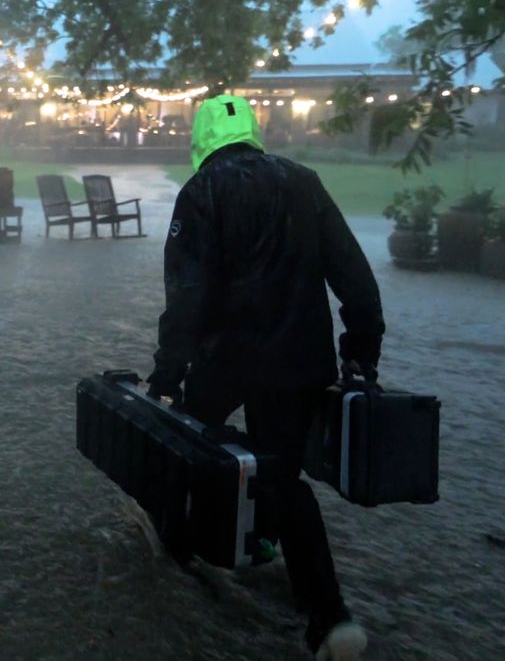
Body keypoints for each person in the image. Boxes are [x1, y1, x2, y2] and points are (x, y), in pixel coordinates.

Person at [145, 95, 385, 661]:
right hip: (298, 362)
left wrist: (167, 374)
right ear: (255, 131)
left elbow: (186, 298)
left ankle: (182, 546)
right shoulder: (304, 182)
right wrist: (361, 350)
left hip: (223, 361)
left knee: (190, 447)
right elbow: (353, 273)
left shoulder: (200, 193)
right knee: (282, 475)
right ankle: (329, 616)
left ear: (200, 138)